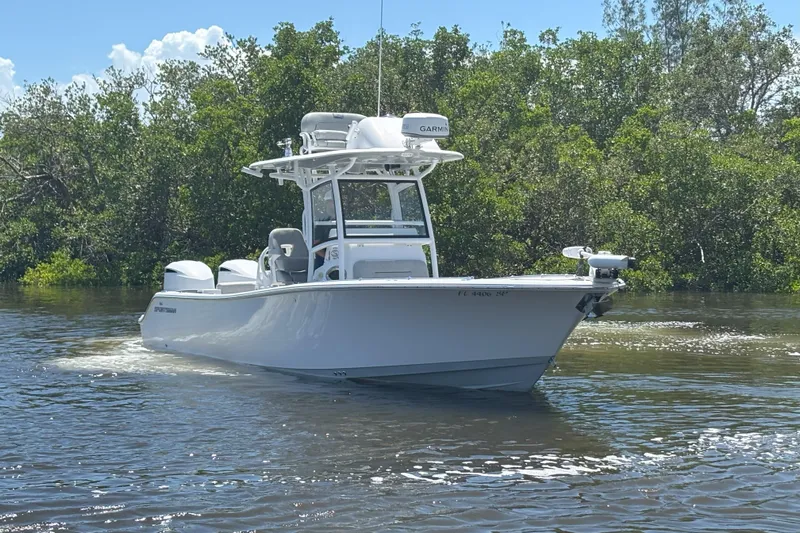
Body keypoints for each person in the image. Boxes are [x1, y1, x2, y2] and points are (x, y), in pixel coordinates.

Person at [313, 191, 336, 270]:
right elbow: (315, 245)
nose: (332, 204)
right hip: (323, 264)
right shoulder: (321, 222)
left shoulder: (346, 221)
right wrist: (328, 258)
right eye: (330, 202)